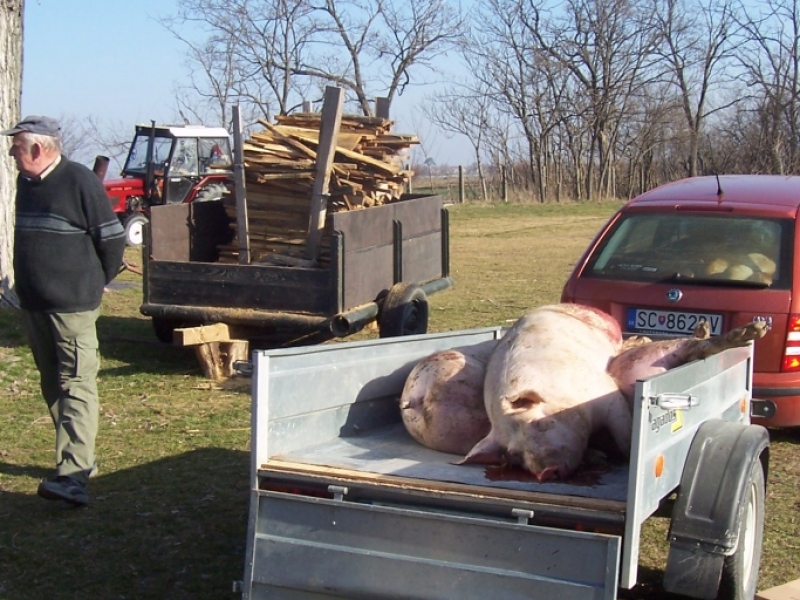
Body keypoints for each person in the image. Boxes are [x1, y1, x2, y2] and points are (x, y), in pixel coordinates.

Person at [1, 115, 126, 506]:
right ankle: (79, 459)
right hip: (34, 304)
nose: (10, 153)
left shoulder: (79, 180)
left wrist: (94, 284)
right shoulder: (26, 183)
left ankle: (72, 476)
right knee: (52, 383)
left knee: (76, 385)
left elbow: (112, 238)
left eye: (16, 147)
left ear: (39, 149)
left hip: (72, 307)